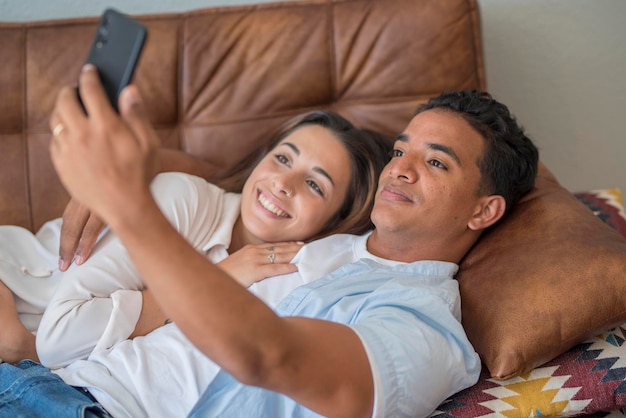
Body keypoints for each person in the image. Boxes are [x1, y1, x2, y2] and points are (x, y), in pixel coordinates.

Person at [1, 65, 539, 418]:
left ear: (483, 210)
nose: (401, 170)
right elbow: (250, 187)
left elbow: (272, 357)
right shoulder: (328, 241)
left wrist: (128, 201)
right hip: (46, 381)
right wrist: (152, 168)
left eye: (436, 161)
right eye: (400, 151)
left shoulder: (424, 326)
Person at [0, 108, 391, 366]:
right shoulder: (186, 198)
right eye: (283, 158)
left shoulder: (294, 276)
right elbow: (58, 338)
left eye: (314, 184)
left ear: (336, 221)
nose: (282, 183)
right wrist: (215, 281)